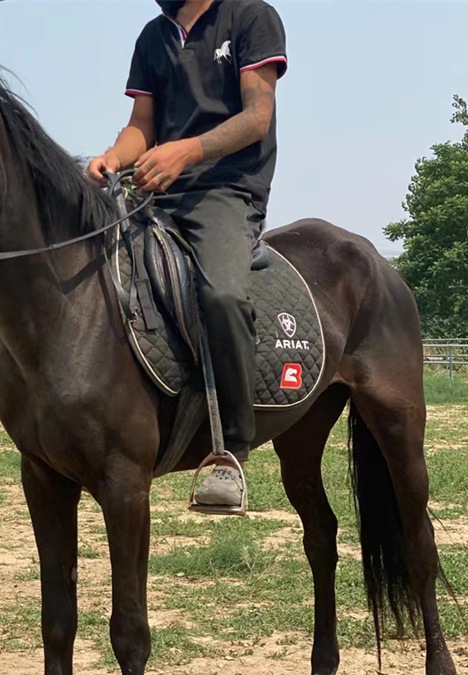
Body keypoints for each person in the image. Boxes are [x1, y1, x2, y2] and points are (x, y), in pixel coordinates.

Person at [88, 0, 287, 515]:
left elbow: (257, 118)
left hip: (225, 190)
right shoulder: (153, 36)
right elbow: (141, 124)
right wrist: (115, 155)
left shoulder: (250, 17)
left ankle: (232, 451)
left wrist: (187, 151)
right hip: (156, 188)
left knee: (220, 295)